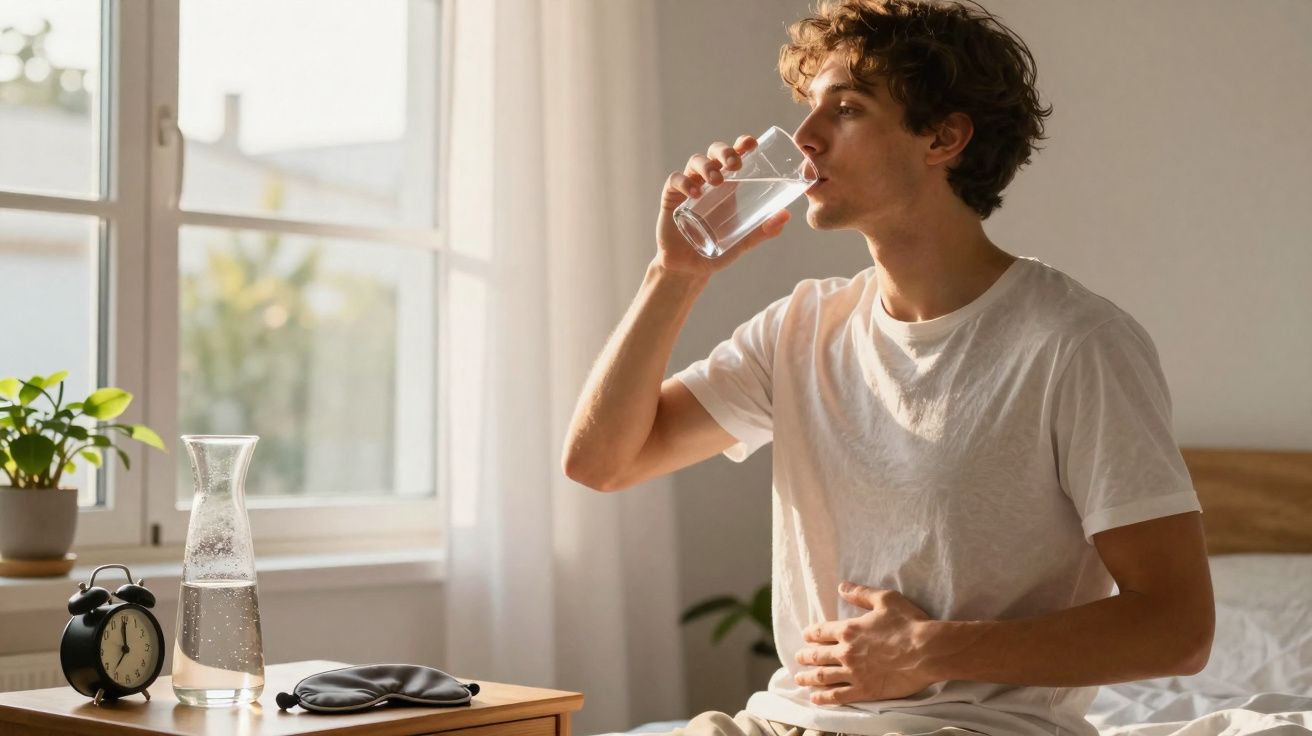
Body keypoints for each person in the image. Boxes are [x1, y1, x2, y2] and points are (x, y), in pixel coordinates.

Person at [561, 1, 1214, 734]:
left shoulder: (1076, 343)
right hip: (784, 723)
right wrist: (674, 272)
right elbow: (600, 463)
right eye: (810, 109)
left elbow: (1178, 627)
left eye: (845, 109)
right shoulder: (800, 329)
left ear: (945, 137)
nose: (804, 139)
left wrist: (929, 652)